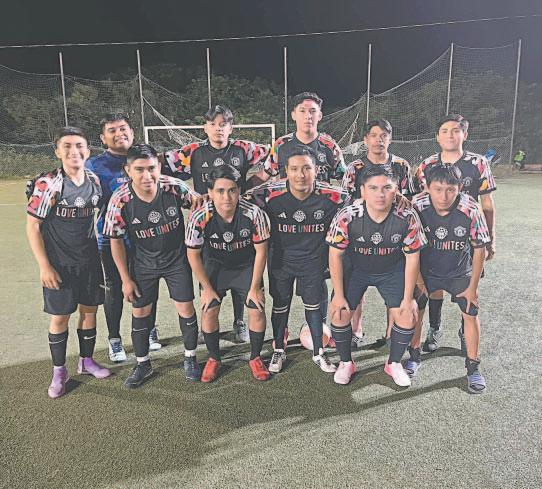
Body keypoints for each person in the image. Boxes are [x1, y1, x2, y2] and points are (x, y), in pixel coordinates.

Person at [162, 105, 270, 342]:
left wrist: (250, 185)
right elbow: (158, 165)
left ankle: (239, 321)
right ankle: (209, 319)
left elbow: (274, 157)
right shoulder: (193, 152)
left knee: (240, 263)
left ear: (231, 127)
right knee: (209, 266)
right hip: (208, 221)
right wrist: (189, 192)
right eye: (213, 124)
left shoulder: (244, 149)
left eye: (223, 124)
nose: (218, 129)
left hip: (238, 216)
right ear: (205, 127)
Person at [103, 144, 201, 388]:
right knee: (140, 313)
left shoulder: (174, 187)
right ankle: (142, 363)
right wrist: (125, 279)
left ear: (159, 167)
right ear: (128, 171)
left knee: (186, 308)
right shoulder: (120, 199)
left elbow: (200, 206)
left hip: (176, 260)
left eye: (151, 168)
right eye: (139, 169)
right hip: (143, 263)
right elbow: (115, 241)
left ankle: (190, 357)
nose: (147, 175)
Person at [245, 146, 349, 374]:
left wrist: (398, 198)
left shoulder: (334, 196)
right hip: (280, 261)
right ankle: (278, 349)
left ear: (316, 170)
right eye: (294, 169)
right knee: (280, 305)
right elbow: (237, 200)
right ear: (285, 171)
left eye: (306, 168)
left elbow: (363, 201)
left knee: (313, 307)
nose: (300, 175)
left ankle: (319, 353)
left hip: (313, 262)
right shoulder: (267, 194)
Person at [26, 127, 111, 398]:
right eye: (67, 146)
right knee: (60, 317)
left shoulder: (94, 180)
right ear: (57, 152)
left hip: (89, 260)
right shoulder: (49, 183)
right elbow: (33, 226)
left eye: (79, 146)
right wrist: (45, 266)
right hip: (59, 264)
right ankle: (59, 371)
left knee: (89, 311)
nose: (74, 151)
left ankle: (86, 361)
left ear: (88, 150)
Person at [254, 91, 347, 338]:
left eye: (313, 111)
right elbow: (264, 175)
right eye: (303, 111)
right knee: (281, 284)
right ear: (294, 114)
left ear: (320, 115)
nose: (308, 116)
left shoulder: (329, 146)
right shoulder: (282, 145)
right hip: (287, 223)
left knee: (318, 281)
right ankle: (281, 332)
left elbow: (346, 181)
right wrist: (235, 193)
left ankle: (316, 329)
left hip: (319, 225)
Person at [326, 166, 426, 386]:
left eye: (387, 188)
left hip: (391, 270)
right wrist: (338, 295)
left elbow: (412, 259)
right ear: (362, 191)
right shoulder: (347, 216)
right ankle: (346, 363)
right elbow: (335, 255)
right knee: (339, 311)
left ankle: (394, 363)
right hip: (356, 269)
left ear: (396, 190)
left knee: (408, 312)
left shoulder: (407, 217)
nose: (380, 194)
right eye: (373, 188)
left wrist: (407, 298)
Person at [415, 114, 496, 353]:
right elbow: (421, 200)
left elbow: (487, 203)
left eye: (456, 130)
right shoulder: (427, 165)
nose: (450, 135)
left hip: (468, 234)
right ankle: (435, 328)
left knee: (467, 286)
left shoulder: (478, 162)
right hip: (435, 234)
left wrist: (490, 239)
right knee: (434, 284)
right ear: (437, 137)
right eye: (445, 131)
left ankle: (464, 330)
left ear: (465, 135)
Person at [407, 164, 490, 393]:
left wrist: (472, 287)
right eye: (438, 189)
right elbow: (411, 248)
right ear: (427, 187)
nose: (444, 196)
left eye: (450, 189)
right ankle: (414, 356)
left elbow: (480, 250)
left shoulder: (470, 208)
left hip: (459, 272)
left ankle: (473, 368)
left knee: (471, 313)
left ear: (460, 187)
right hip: (427, 272)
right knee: (415, 310)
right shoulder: (417, 205)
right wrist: (419, 281)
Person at [86, 113, 161, 362]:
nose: (119, 134)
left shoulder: (146, 157)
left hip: (145, 237)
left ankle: (149, 330)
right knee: (115, 288)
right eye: (112, 130)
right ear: (102, 138)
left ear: (132, 131)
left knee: (148, 285)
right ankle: (114, 339)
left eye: (123, 128)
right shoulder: (94, 166)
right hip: (111, 239)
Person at [186, 166, 271, 382]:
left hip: (245, 266)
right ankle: (214, 358)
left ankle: (255, 357)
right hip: (215, 266)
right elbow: (193, 255)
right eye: (220, 191)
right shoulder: (200, 216)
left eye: (232, 190)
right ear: (210, 192)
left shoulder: (254, 214)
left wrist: (254, 288)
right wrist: (206, 289)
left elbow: (261, 252)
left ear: (239, 190)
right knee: (209, 309)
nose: (227, 197)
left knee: (257, 307)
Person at [341, 119, 416, 347]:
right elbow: (344, 202)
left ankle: (391, 333)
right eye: (373, 135)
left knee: (393, 287)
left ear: (390, 139)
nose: (378, 140)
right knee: (356, 285)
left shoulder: (401, 165)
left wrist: (401, 199)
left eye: (383, 135)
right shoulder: (354, 168)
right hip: (360, 235)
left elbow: (410, 200)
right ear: (365, 140)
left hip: (393, 237)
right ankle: (356, 330)